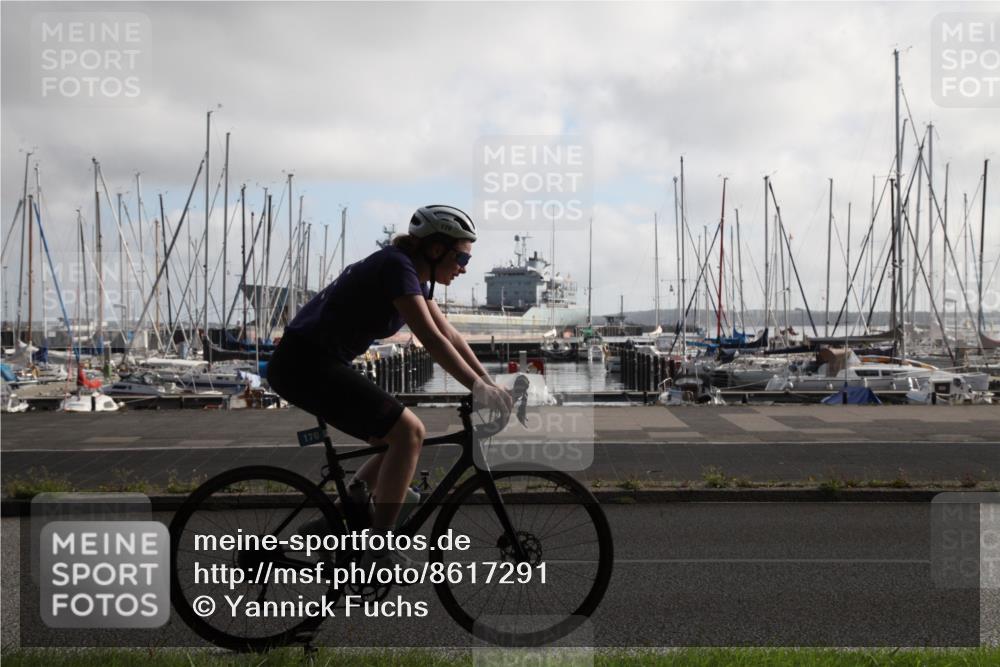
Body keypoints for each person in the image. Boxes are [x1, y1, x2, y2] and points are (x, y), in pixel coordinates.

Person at [266, 204, 512, 566]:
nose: (463, 268)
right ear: (435, 249)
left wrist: (489, 383)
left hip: (316, 361)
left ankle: (332, 522)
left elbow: (451, 334)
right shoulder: (397, 267)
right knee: (409, 432)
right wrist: (478, 389)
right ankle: (375, 551)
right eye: (461, 258)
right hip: (305, 363)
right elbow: (431, 338)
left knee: (392, 440)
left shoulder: (412, 274)